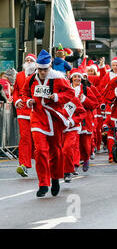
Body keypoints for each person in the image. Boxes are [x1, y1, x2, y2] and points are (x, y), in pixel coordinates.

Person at [23, 50, 75, 197]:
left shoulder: (58, 79)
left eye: (45, 69)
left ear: (49, 67)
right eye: (40, 69)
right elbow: (25, 92)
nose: (43, 72)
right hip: (38, 117)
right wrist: (28, 100)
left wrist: (57, 96)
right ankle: (43, 183)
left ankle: (55, 178)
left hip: (54, 118)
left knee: (56, 151)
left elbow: (70, 93)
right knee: (40, 151)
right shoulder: (31, 79)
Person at [13, 54, 37, 177]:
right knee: (25, 137)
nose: (28, 62)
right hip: (22, 111)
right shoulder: (19, 75)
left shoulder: (39, 75)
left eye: (31, 60)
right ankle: (23, 164)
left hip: (36, 111)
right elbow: (15, 91)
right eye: (27, 60)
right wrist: (16, 101)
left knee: (37, 138)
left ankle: (42, 163)